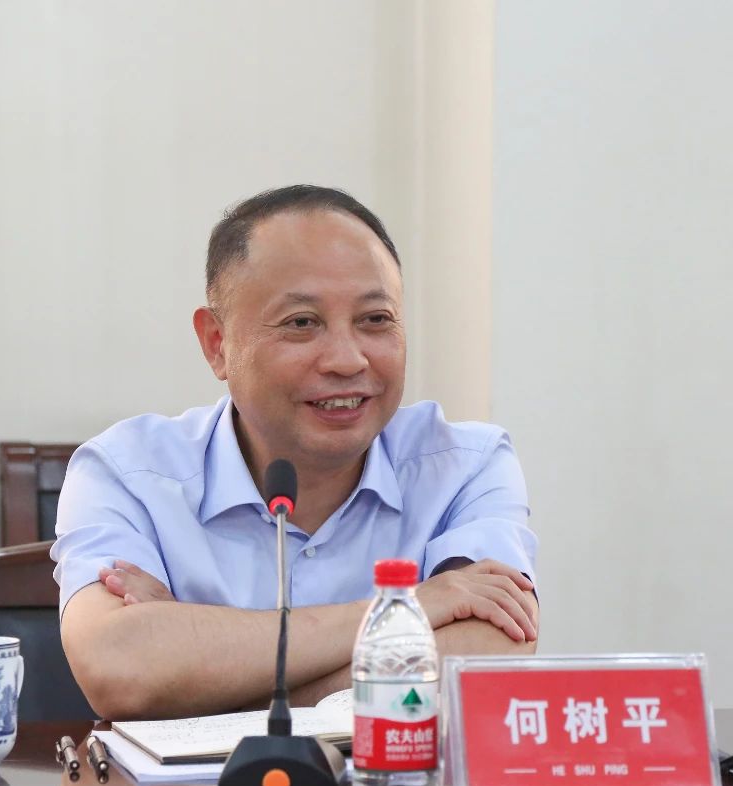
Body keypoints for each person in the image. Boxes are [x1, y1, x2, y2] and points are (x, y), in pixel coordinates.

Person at [54, 185, 538, 721]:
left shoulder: (466, 464)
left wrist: (203, 679)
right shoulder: (125, 472)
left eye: (375, 319)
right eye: (302, 323)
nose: (347, 360)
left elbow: (487, 653)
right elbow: (120, 666)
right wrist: (413, 606)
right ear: (217, 343)